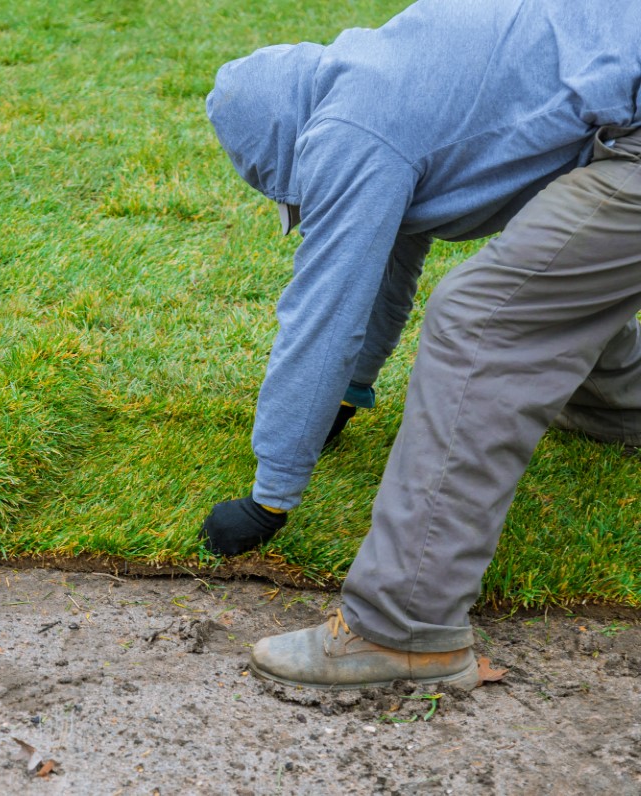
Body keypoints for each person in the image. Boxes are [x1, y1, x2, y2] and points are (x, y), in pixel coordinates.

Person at [202, 0, 641, 690]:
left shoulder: (350, 131)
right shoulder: (382, 77)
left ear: (290, 146)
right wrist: (347, 394)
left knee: (482, 320)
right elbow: (386, 268)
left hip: (632, 131)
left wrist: (271, 495)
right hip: (620, 109)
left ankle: (404, 630)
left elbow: (325, 312)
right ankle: (627, 413)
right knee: (548, 275)